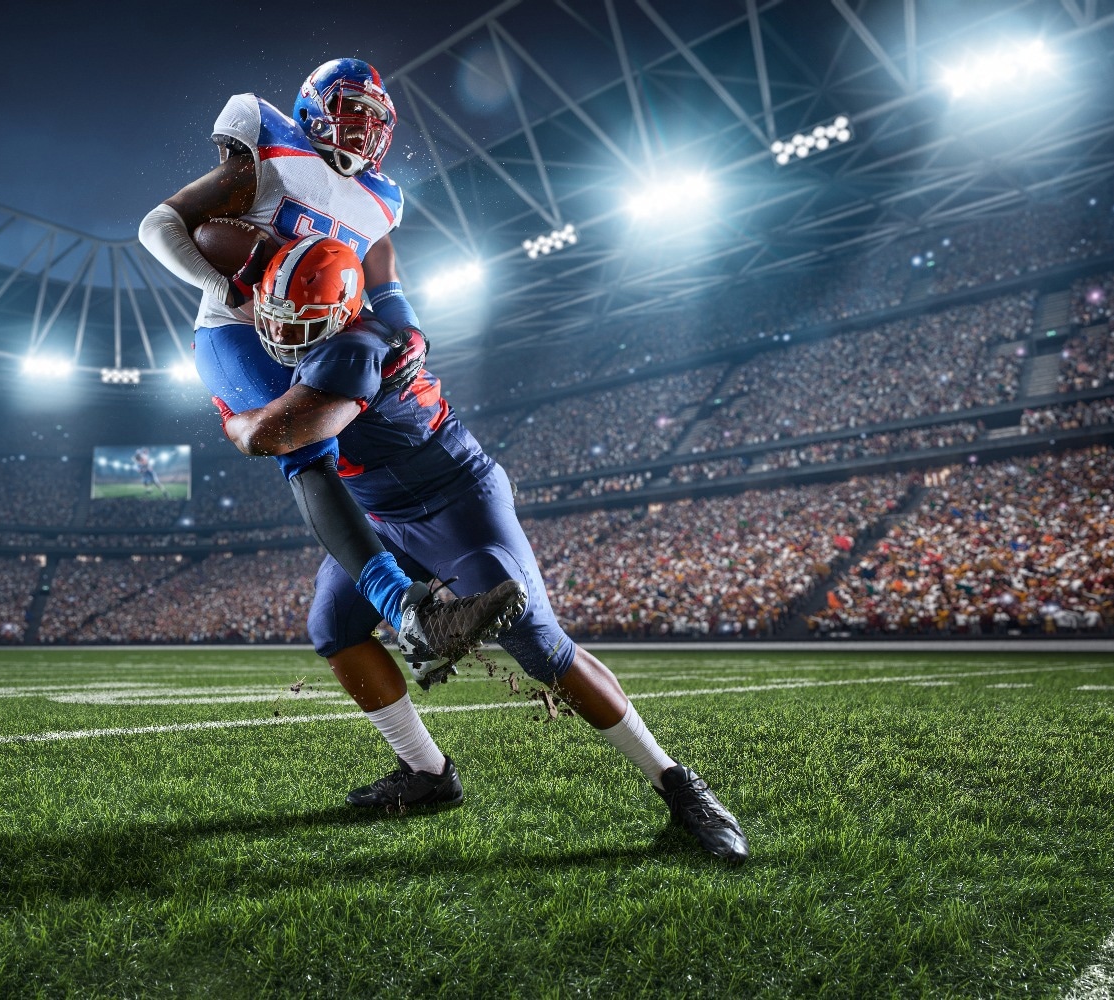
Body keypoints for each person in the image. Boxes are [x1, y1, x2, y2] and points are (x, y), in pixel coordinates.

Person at [221, 233, 749, 862]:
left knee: (534, 638)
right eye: (278, 316)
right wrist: (353, 222)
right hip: (383, 512)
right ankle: (426, 772)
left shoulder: (354, 351)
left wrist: (233, 415)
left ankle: (680, 786)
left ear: (340, 314)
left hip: (455, 500)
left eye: (300, 321)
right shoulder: (382, 311)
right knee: (333, 626)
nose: (282, 334)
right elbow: (384, 258)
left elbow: (283, 435)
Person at [138, 57, 520, 674]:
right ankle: (410, 613)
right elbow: (160, 225)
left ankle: (411, 615)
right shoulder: (270, 143)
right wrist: (232, 290)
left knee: (345, 448)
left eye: (376, 119)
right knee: (305, 454)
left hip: (322, 327)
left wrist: (408, 326)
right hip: (237, 331)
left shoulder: (381, 198)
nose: (365, 129)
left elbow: (381, 269)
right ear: (315, 104)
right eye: (353, 110)